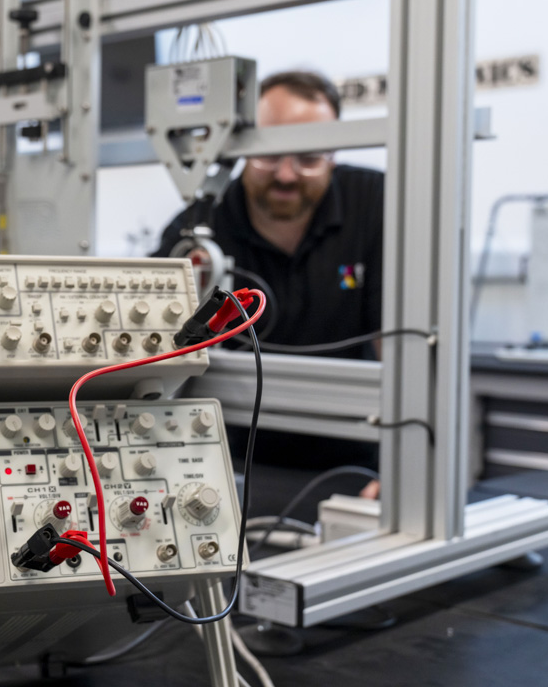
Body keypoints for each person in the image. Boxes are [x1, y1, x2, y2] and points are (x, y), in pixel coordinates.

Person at [153, 71, 384, 490]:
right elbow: (155, 348)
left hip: (355, 463)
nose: (286, 175)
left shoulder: (376, 203)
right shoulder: (202, 225)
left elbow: (403, 345)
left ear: (333, 153)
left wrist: (404, 468)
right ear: (240, 149)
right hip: (230, 467)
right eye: (269, 155)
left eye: (309, 158)